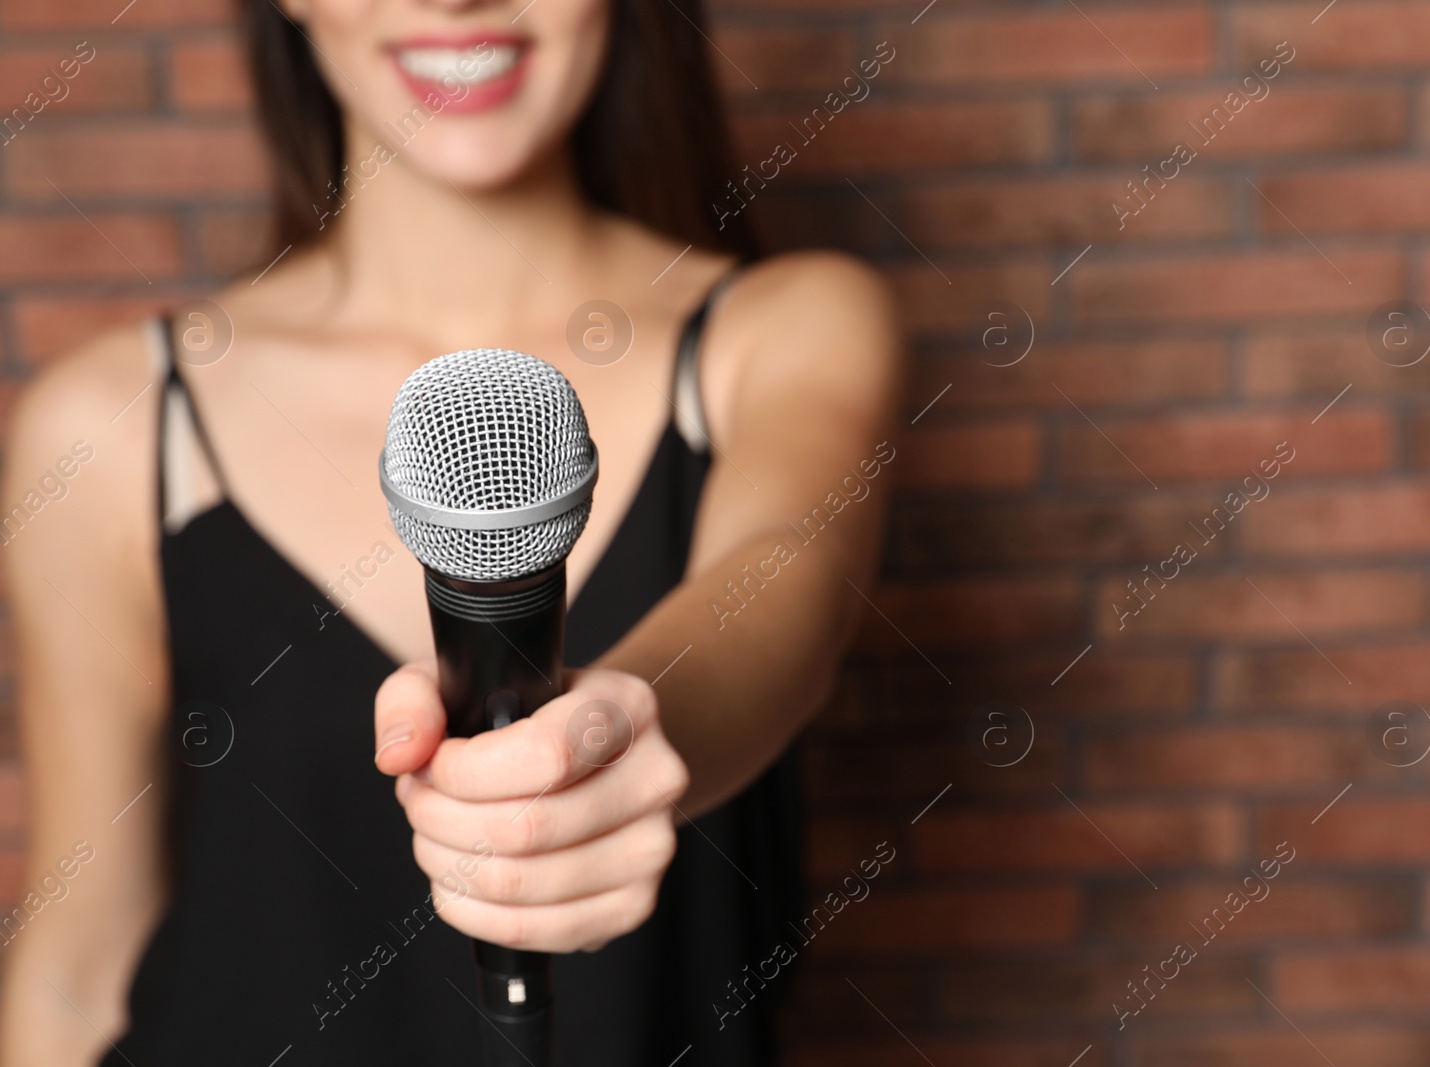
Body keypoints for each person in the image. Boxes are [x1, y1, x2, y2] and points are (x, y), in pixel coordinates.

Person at [0, 0, 900, 1063]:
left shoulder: (788, 331)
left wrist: (625, 735)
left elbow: (781, 584)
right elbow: (73, 967)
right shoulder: (112, 423)